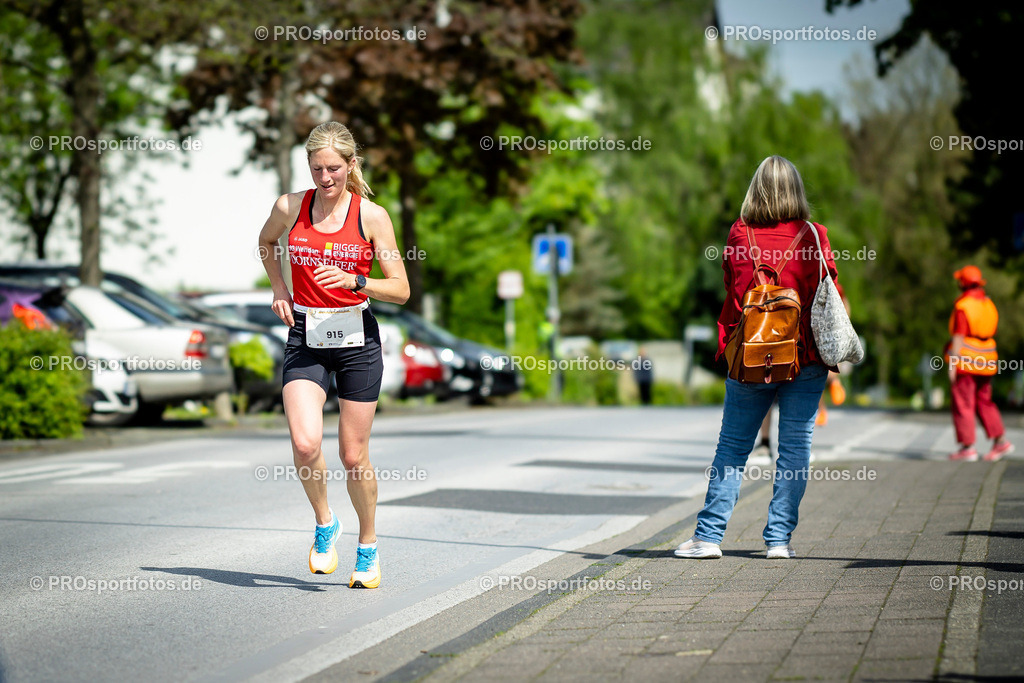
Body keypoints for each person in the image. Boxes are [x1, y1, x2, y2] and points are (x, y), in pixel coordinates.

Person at [258, 121, 410, 587]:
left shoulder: (371, 216)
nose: (325, 178)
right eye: (316, 168)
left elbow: (401, 289)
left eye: (333, 169)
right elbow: (266, 243)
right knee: (305, 444)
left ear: (350, 165)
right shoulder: (290, 207)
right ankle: (325, 523)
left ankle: (368, 546)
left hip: (356, 339)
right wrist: (280, 288)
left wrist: (356, 280)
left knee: (352, 454)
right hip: (306, 334)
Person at [675, 155, 839, 561]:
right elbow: (829, 290)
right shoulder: (814, 235)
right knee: (795, 451)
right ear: (796, 190)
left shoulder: (739, 232)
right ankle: (779, 541)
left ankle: (708, 537)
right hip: (804, 356)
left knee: (733, 447)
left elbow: (732, 290)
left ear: (756, 190)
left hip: (751, 356)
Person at [946, 265, 1014, 462]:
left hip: (966, 361)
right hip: (987, 360)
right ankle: (1001, 442)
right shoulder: (988, 304)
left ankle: (967, 448)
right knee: (984, 401)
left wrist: (952, 364)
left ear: (962, 284)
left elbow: (959, 336)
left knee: (963, 403)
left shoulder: (963, 305)